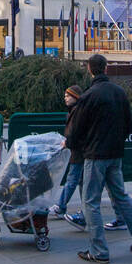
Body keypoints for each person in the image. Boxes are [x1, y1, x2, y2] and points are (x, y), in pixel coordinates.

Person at [65, 54, 132, 263]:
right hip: (115, 153)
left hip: (95, 154)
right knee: (121, 196)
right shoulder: (119, 92)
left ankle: (99, 251)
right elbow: (129, 123)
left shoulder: (89, 95)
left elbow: (77, 129)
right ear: (106, 69)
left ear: (89, 69)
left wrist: (76, 144)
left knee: (91, 201)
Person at [49, 86, 86, 226]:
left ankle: (61, 206)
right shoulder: (74, 111)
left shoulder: (77, 112)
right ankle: (83, 210)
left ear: (75, 97)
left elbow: (77, 132)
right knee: (81, 181)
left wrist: (68, 142)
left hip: (78, 151)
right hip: (78, 150)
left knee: (72, 179)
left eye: (68, 95)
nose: (65, 98)